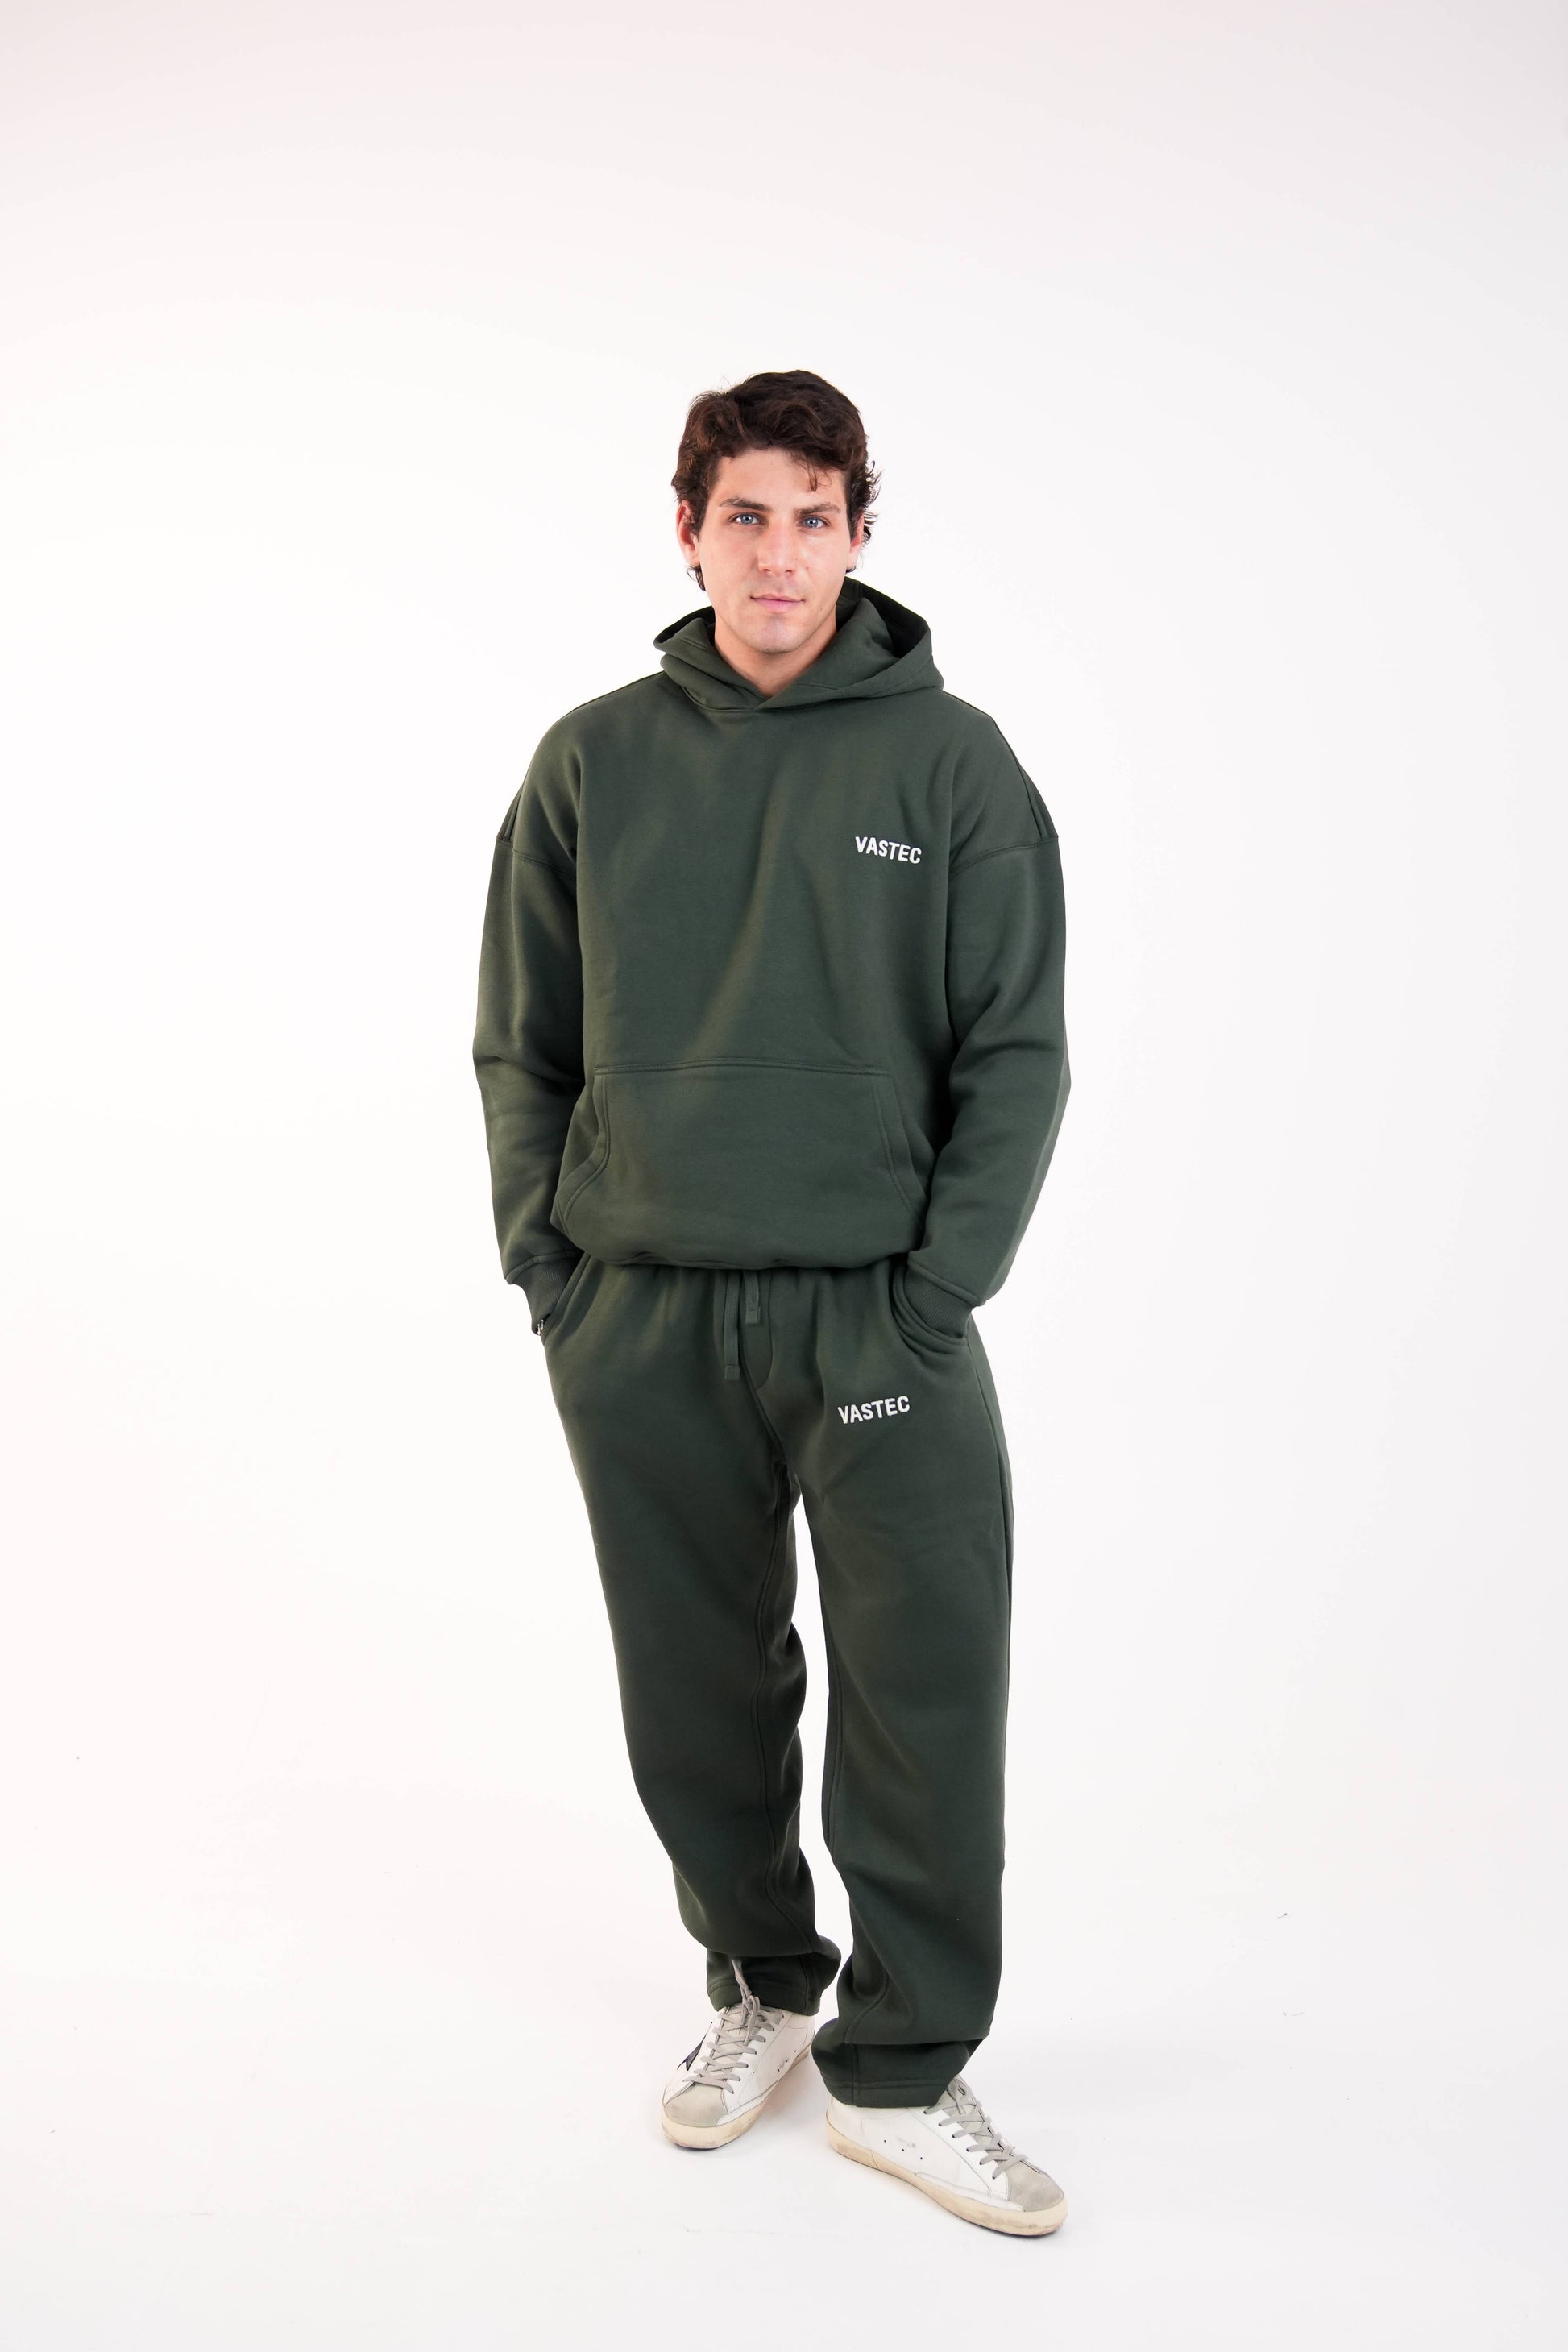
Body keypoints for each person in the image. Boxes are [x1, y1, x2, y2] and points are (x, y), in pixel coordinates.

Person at [472, 369, 1071, 2236]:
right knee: (695, 1697)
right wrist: (554, 1269)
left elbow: (1017, 1050)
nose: (780, 552)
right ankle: (765, 1983)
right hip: (642, 1311)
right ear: (688, 532)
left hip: (875, 1318)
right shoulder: (592, 759)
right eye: (745, 514)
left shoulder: (951, 762)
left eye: (815, 516)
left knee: (923, 1697)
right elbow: (522, 1040)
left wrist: (938, 1287)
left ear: (859, 535)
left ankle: (902, 2068)